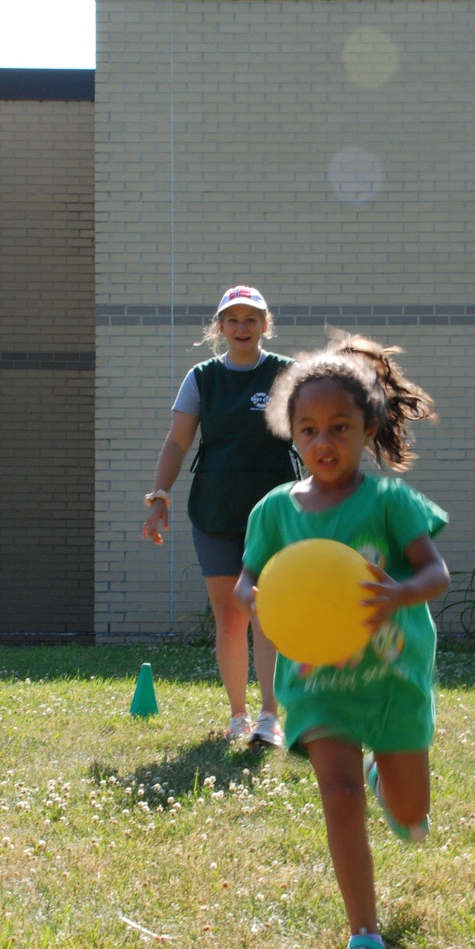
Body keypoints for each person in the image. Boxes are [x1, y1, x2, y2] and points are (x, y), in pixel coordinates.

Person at [235, 333, 449, 949]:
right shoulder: (275, 511)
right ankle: (364, 937)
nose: (323, 442)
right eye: (308, 429)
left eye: (339, 427)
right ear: (290, 434)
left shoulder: (390, 503)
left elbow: (434, 572)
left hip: (391, 677)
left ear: (368, 427)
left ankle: (397, 788)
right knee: (338, 792)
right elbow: (248, 583)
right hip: (318, 682)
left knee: (412, 819)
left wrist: (401, 593)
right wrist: (263, 601)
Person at [143, 285, 297, 745]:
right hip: (215, 508)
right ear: (221, 327)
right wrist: (158, 497)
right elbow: (177, 442)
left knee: (266, 611)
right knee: (230, 615)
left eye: (251, 319)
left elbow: (314, 432)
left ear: (264, 326)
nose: (242, 328)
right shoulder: (202, 377)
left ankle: (270, 716)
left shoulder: (287, 374)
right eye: (233, 320)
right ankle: (238, 715)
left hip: (274, 511)